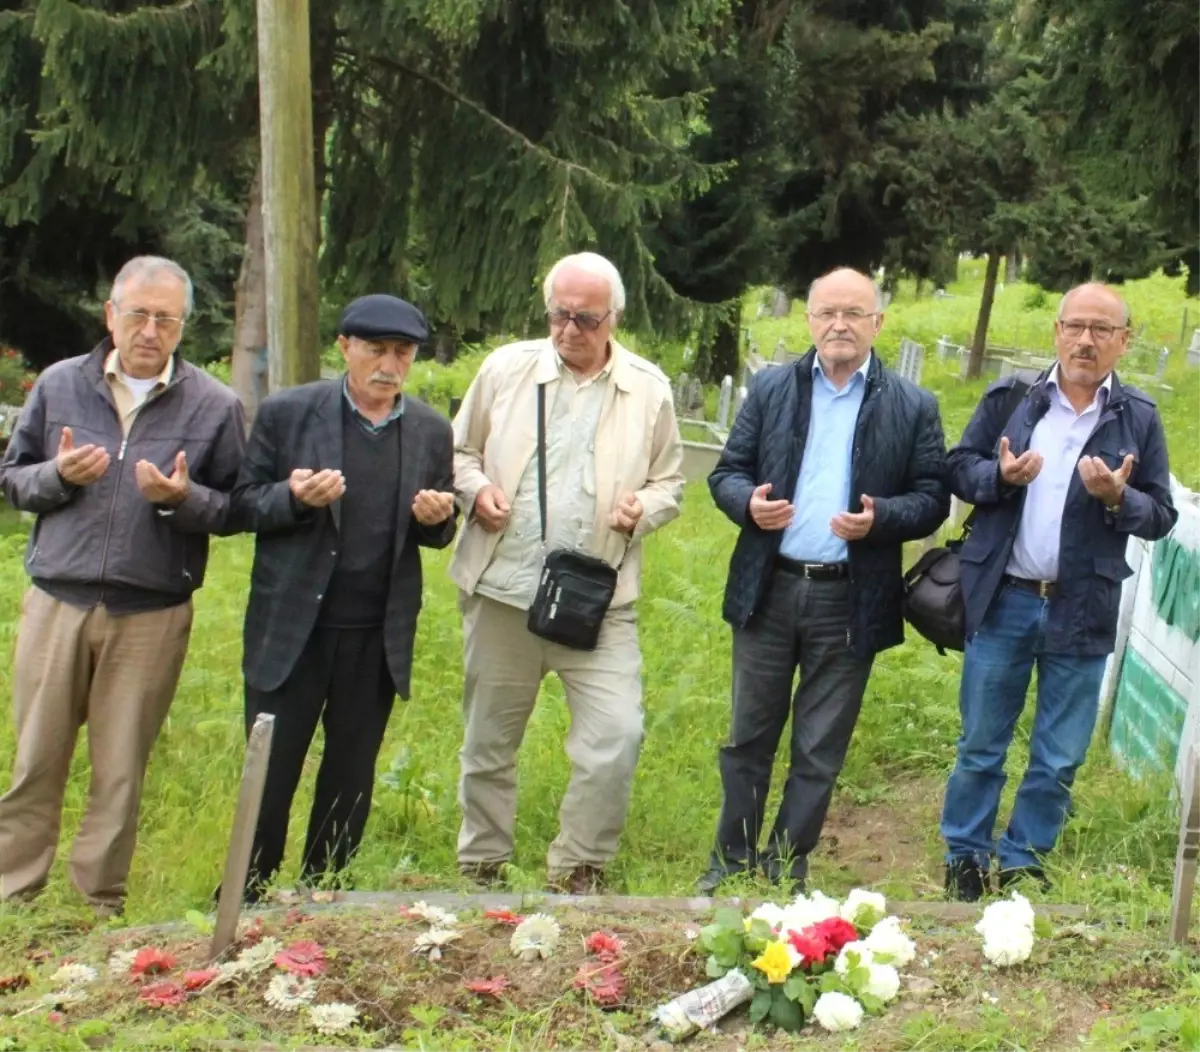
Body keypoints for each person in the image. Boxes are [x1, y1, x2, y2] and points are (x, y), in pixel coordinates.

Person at [0, 256, 246, 914]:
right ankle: (12, 892)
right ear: (110, 315)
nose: (149, 329)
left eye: (166, 319)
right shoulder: (59, 386)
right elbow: (14, 476)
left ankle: (96, 904)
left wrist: (180, 499)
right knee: (34, 762)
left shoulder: (215, 405)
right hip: (58, 601)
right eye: (137, 314)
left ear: (182, 328)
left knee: (119, 770)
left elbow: (233, 507)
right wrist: (59, 477)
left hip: (151, 612)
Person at [698, 266, 950, 895]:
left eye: (854, 313)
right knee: (748, 736)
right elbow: (726, 473)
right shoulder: (774, 388)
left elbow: (933, 498)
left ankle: (786, 867)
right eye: (827, 313)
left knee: (819, 747)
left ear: (878, 323)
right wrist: (747, 506)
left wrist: (882, 518)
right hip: (770, 586)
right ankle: (729, 863)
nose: (840, 324)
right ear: (809, 320)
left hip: (850, 596)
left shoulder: (912, 405)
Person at [451, 251, 684, 894]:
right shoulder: (505, 371)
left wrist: (644, 508)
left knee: (616, 735)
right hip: (504, 590)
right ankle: (481, 867)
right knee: (488, 743)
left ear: (614, 318)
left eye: (586, 318)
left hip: (596, 600)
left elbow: (670, 481)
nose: (570, 330)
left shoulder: (648, 388)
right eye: (559, 314)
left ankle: (579, 869)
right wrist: (476, 491)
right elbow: (459, 451)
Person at [941, 282, 1177, 901]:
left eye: (1103, 330)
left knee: (1059, 753)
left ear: (1124, 342)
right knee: (981, 741)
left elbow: (1161, 516)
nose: (1086, 340)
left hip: (1083, 604)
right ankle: (964, 853)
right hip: (1006, 596)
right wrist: (1000, 476)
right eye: (1076, 326)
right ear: (1056, 330)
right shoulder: (1014, 400)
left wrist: (1119, 498)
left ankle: (1022, 857)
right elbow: (958, 465)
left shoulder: (1138, 418)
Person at [232, 294, 455, 900]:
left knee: (350, 776)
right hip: (293, 630)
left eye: (402, 353)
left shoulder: (431, 430)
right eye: (376, 350)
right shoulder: (288, 413)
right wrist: (293, 497)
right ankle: (245, 897)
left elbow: (436, 528)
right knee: (271, 768)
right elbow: (241, 503)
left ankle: (323, 896)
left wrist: (438, 518)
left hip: (373, 634)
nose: (389, 364)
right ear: (345, 348)